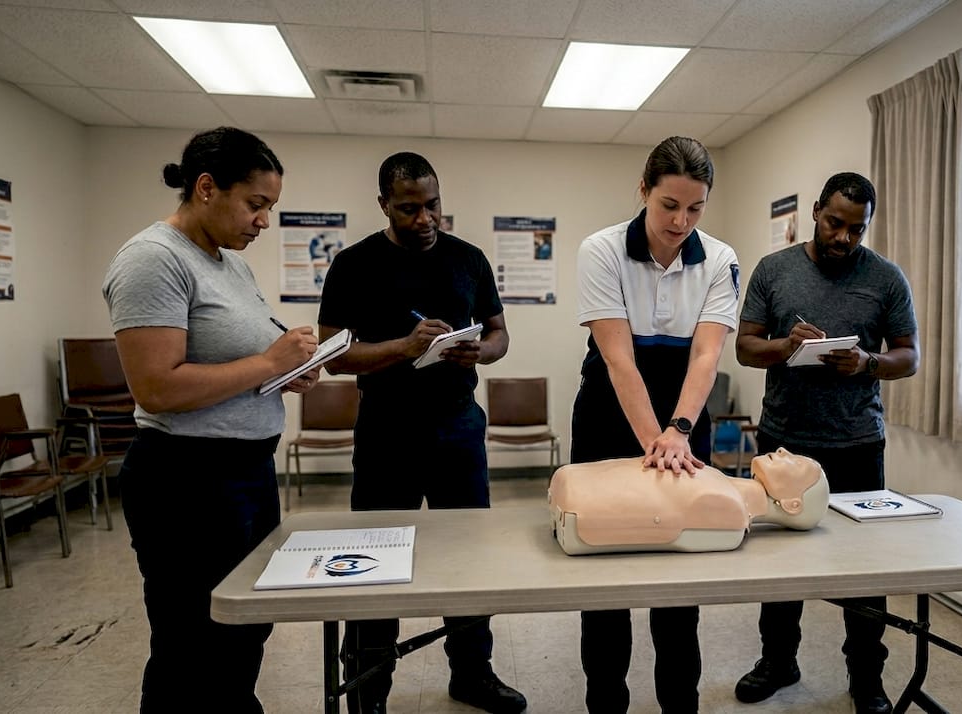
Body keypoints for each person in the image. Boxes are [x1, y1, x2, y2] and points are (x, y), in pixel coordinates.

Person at [101, 126, 321, 713]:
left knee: (245, 625)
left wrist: (286, 369)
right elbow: (156, 386)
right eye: (255, 204)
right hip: (186, 478)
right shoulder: (153, 260)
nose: (263, 221)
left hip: (245, 471)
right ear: (206, 188)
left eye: (269, 208)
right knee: (191, 639)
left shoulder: (227, 264)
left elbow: (239, 360)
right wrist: (267, 362)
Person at [317, 152, 526, 714]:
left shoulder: (468, 259)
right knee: (374, 565)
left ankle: (472, 673)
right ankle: (368, 687)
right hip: (387, 433)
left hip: (458, 429)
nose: (425, 219)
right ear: (383, 205)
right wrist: (406, 347)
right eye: (409, 209)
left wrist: (479, 350)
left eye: (433, 204)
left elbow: (501, 333)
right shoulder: (354, 265)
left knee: (467, 561)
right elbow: (334, 357)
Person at [732, 172, 919, 714]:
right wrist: (786, 345)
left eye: (856, 230)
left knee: (864, 570)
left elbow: (910, 355)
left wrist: (868, 363)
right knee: (780, 566)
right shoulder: (775, 270)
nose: (843, 237)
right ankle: (778, 661)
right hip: (784, 442)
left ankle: (866, 677)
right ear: (816, 211)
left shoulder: (885, 278)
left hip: (858, 442)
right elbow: (745, 348)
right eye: (835, 223)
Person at [572, 136, 740, 714]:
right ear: (643, 190)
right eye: (670, 204)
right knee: (606, 577)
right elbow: (619, 358)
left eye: (695, 208)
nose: (681, 221)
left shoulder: (719, 259)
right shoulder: (600, 250)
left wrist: (679, 431)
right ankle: (606, 703)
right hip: (609, 414)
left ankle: (679, 704)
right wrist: (654, 440)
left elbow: (705, 357)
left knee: (681, 573)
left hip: (683, 419)